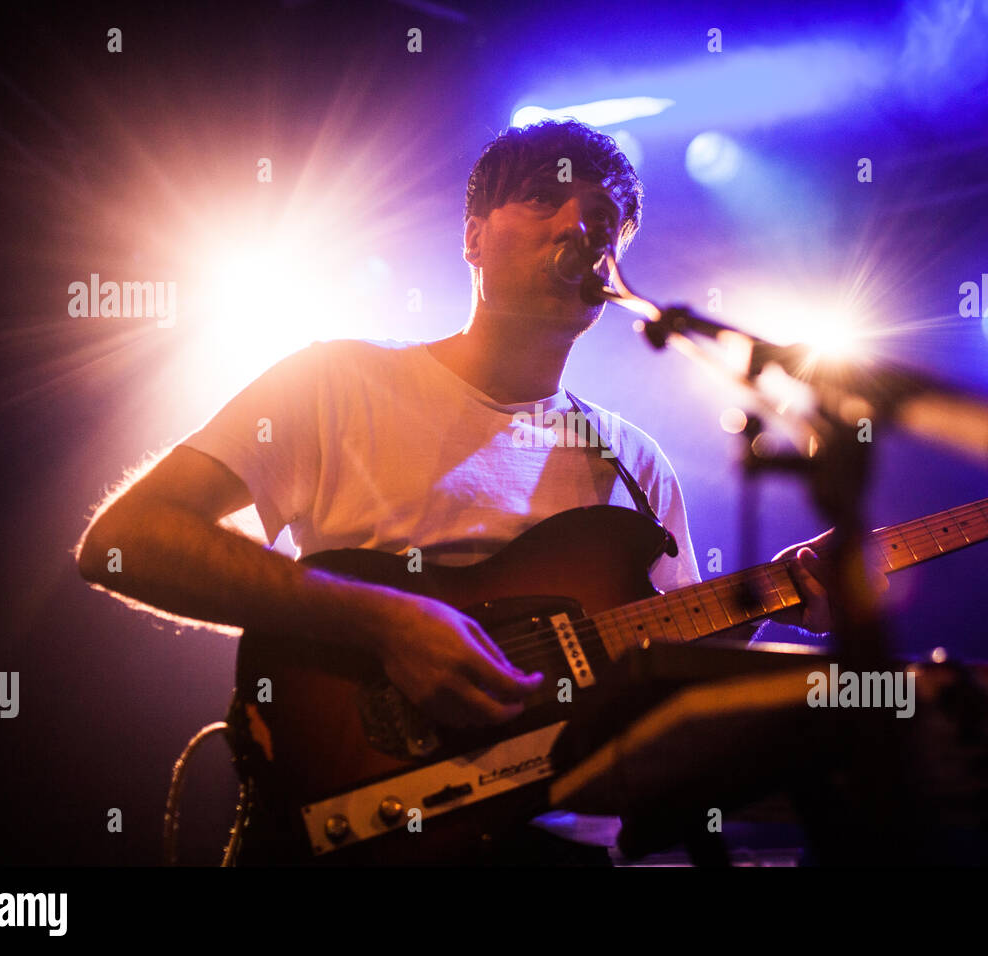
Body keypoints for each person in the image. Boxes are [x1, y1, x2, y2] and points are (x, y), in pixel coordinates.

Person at [76, 119, 837, 864]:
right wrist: (385, 623)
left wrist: (794, 590)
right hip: (364, 821)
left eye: (603, 220)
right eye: (546, 199)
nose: (579, 225)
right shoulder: (337, 382)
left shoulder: (636, 463)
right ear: (472, 238)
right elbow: (126, 540)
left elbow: (661, 658)